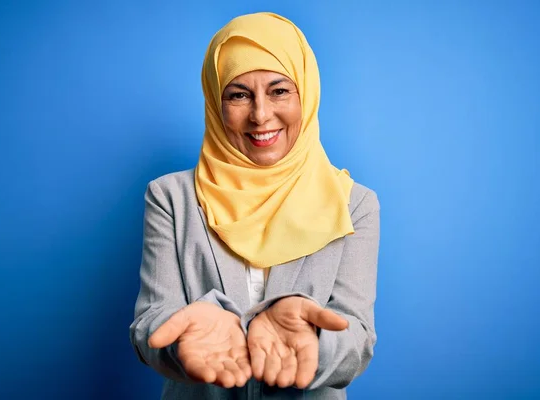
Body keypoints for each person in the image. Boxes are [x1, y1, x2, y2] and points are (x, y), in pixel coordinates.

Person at [129, 12, 380, 400]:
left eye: (279, 91)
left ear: (306, 95)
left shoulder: (354, 204)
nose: (261, 115)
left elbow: (357, 339)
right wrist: (181, 343)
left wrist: (312, 342)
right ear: (215, 102)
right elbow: (151, 324)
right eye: (239, 94)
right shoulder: (170, 198)